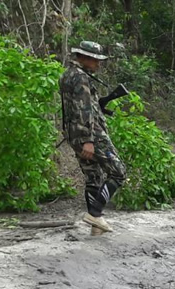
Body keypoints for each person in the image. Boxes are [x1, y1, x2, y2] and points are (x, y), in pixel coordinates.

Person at [60, 41, 127, 235]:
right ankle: (95, 214)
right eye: (96, 60)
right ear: (85, 58)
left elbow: (75, 107)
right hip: (90, 135)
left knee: (93, 175)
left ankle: (96, 226)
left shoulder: (67, 75)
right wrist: (88, 140)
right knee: (118, 171)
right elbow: (83, 110)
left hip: (74, 134)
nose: (98, 64)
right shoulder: (81, 78)